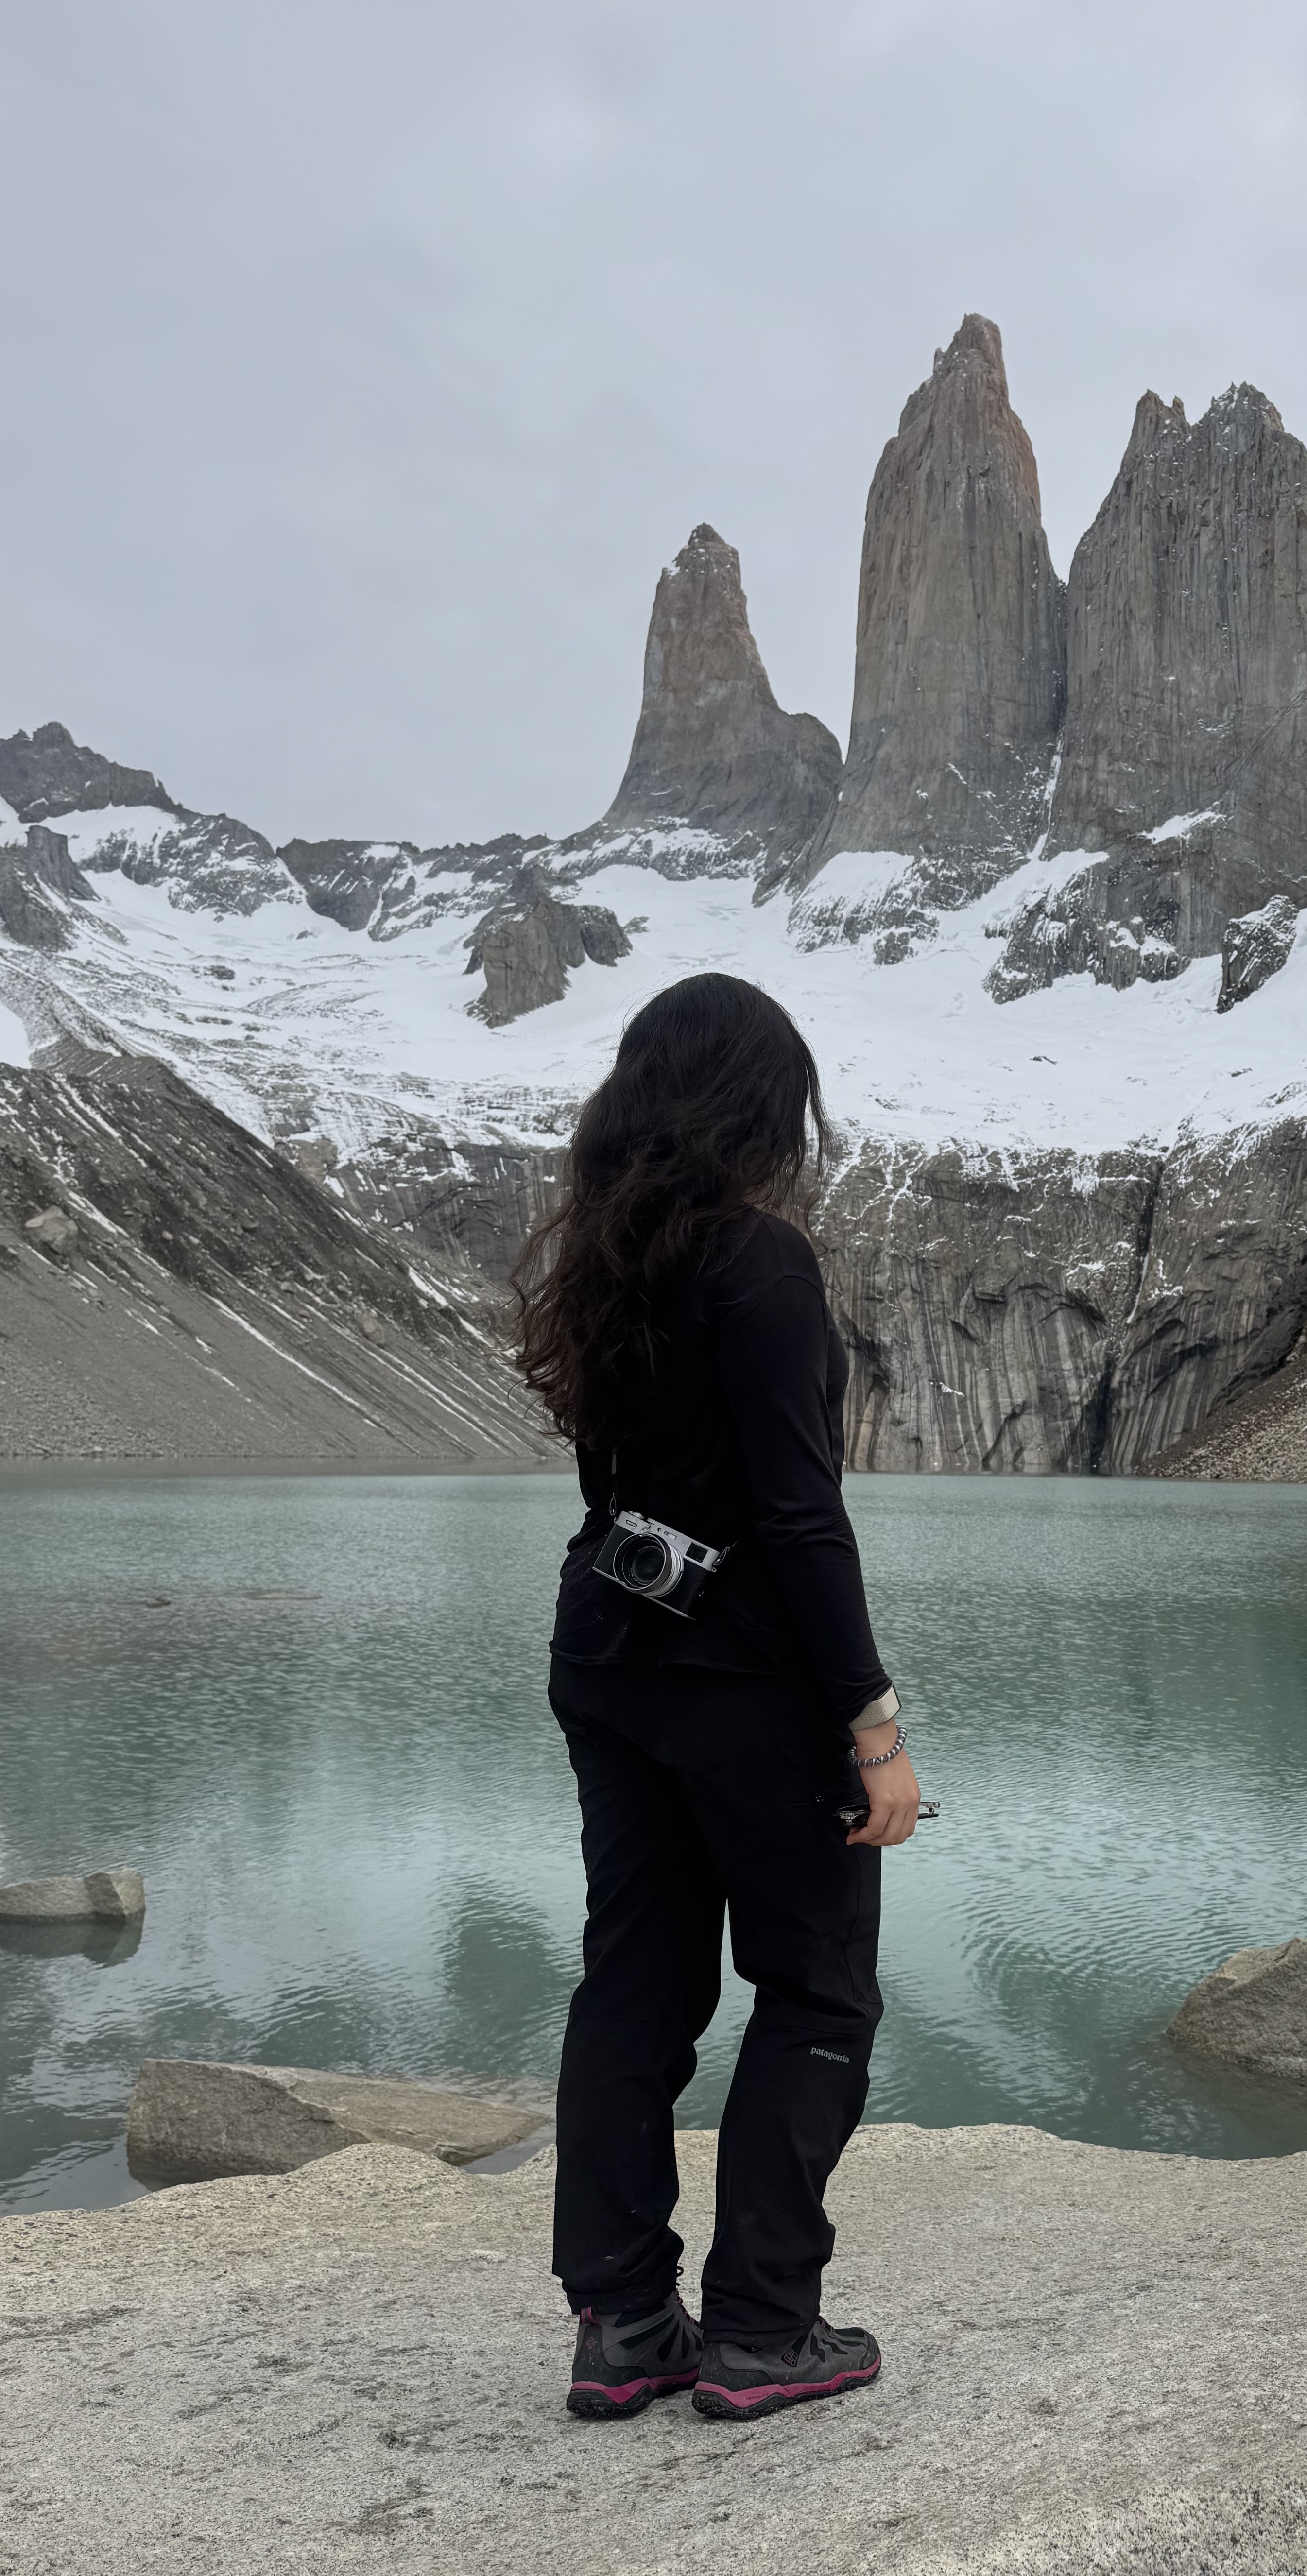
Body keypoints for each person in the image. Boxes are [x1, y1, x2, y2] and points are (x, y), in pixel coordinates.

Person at [512, 971, 920, 2425]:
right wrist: (871, 1729)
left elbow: (617, 1489)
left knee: (636, 1981)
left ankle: (622, 2324)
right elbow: (798, 1518)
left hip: (605, 1659)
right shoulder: (759, 1262)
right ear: (756, 1108)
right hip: (741, 1678)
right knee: (815, 1987)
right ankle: (762, 2326)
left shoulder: (601, 1265)